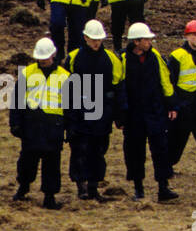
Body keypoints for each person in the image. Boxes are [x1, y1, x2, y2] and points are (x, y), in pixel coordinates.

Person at [120, 22, 178, 201]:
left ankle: (163, 188)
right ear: (136, 42)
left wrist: (171, 105)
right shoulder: (122, 60)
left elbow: (165, 82)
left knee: (161, 150)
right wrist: (121, 114)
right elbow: (118, 86)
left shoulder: (156, 57)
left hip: (155, 112)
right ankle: (139, 189)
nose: (150, 42)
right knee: (134, 152)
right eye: (146, 39)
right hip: (133, 115)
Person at [11, 37, 69, 209]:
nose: (42, 60)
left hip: (54, 126)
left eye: (45, 57)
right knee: (27, 160)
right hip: (32, 125)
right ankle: (23, 187)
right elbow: (17, 100)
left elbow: (71, 106)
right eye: (40, 57)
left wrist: (71, 128)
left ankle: (49, 196)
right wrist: (15, 122)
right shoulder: (27, 73)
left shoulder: (65, 77)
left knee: (52, 163)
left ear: (53, 55)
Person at [66, 20, 121, 201]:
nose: (96, 42)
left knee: (98, 150)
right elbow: (67, 87)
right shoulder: (73, 58)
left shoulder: (112, 59)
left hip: (102, 111)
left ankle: (93, 186)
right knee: (79, 149)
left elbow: (118, 86)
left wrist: (115, 114)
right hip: (79, 110)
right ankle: (81, 186)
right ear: (85, 38)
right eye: (93, 39)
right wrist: (70, 116)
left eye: (98, 39)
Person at [166, 19, 196, 177]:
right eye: (194, 35)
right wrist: (173, 105)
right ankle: (168, 166)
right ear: (186, 37)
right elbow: (170, 82)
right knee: (176, 138)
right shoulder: (177, 56)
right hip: (183, 104)